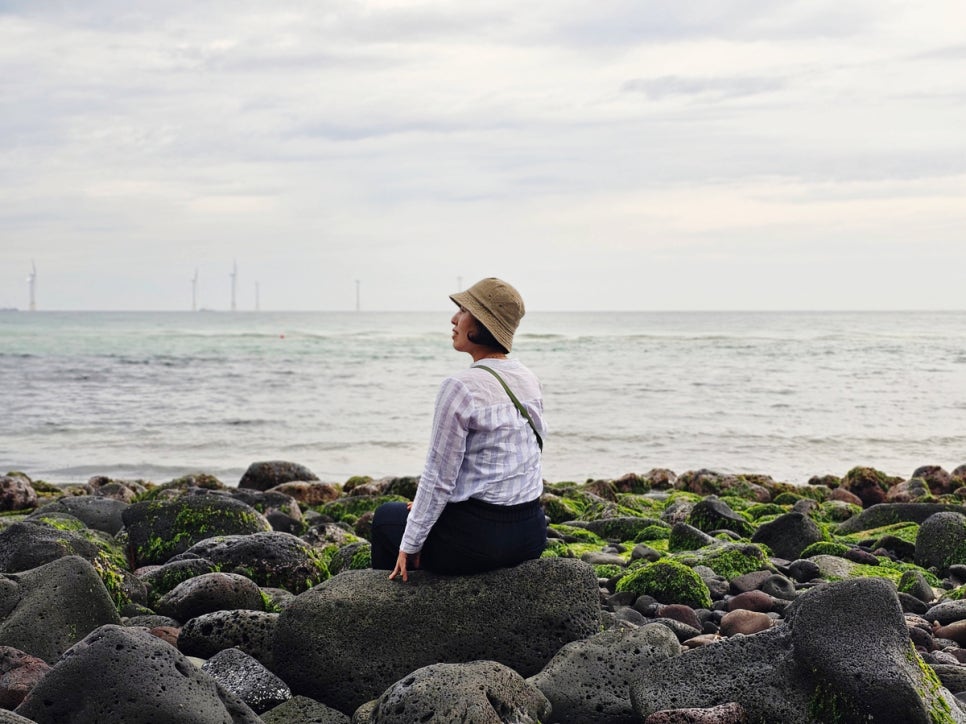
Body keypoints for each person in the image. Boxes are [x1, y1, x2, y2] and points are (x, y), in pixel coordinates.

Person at [370, 277, 547, 581]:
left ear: (482, 323)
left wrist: (411, 542)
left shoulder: (460, 387)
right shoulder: (527, 378)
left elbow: (439, 476)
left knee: (387, 518)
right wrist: (439, 507)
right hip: (530, 533)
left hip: (479, 543)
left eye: (463, 310)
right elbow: (515, 458)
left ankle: (394, 614)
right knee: (415, 510)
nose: (454, 319)